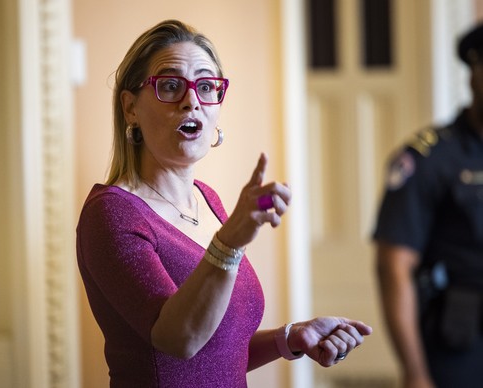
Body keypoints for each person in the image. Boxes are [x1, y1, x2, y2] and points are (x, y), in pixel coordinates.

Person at [77, 19, 372, 387]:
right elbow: (180, 340)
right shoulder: (111, 213)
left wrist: (290, 338)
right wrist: (231, 239)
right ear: (130, 107)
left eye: (206, 86)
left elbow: (217, 354)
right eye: (170, 86)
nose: (191, 101)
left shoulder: (208, 199)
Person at [373, 23, 483, 388]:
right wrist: (415, 372)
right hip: (461, 340)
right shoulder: (429, 158)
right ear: (473, 74)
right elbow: (394, 266)